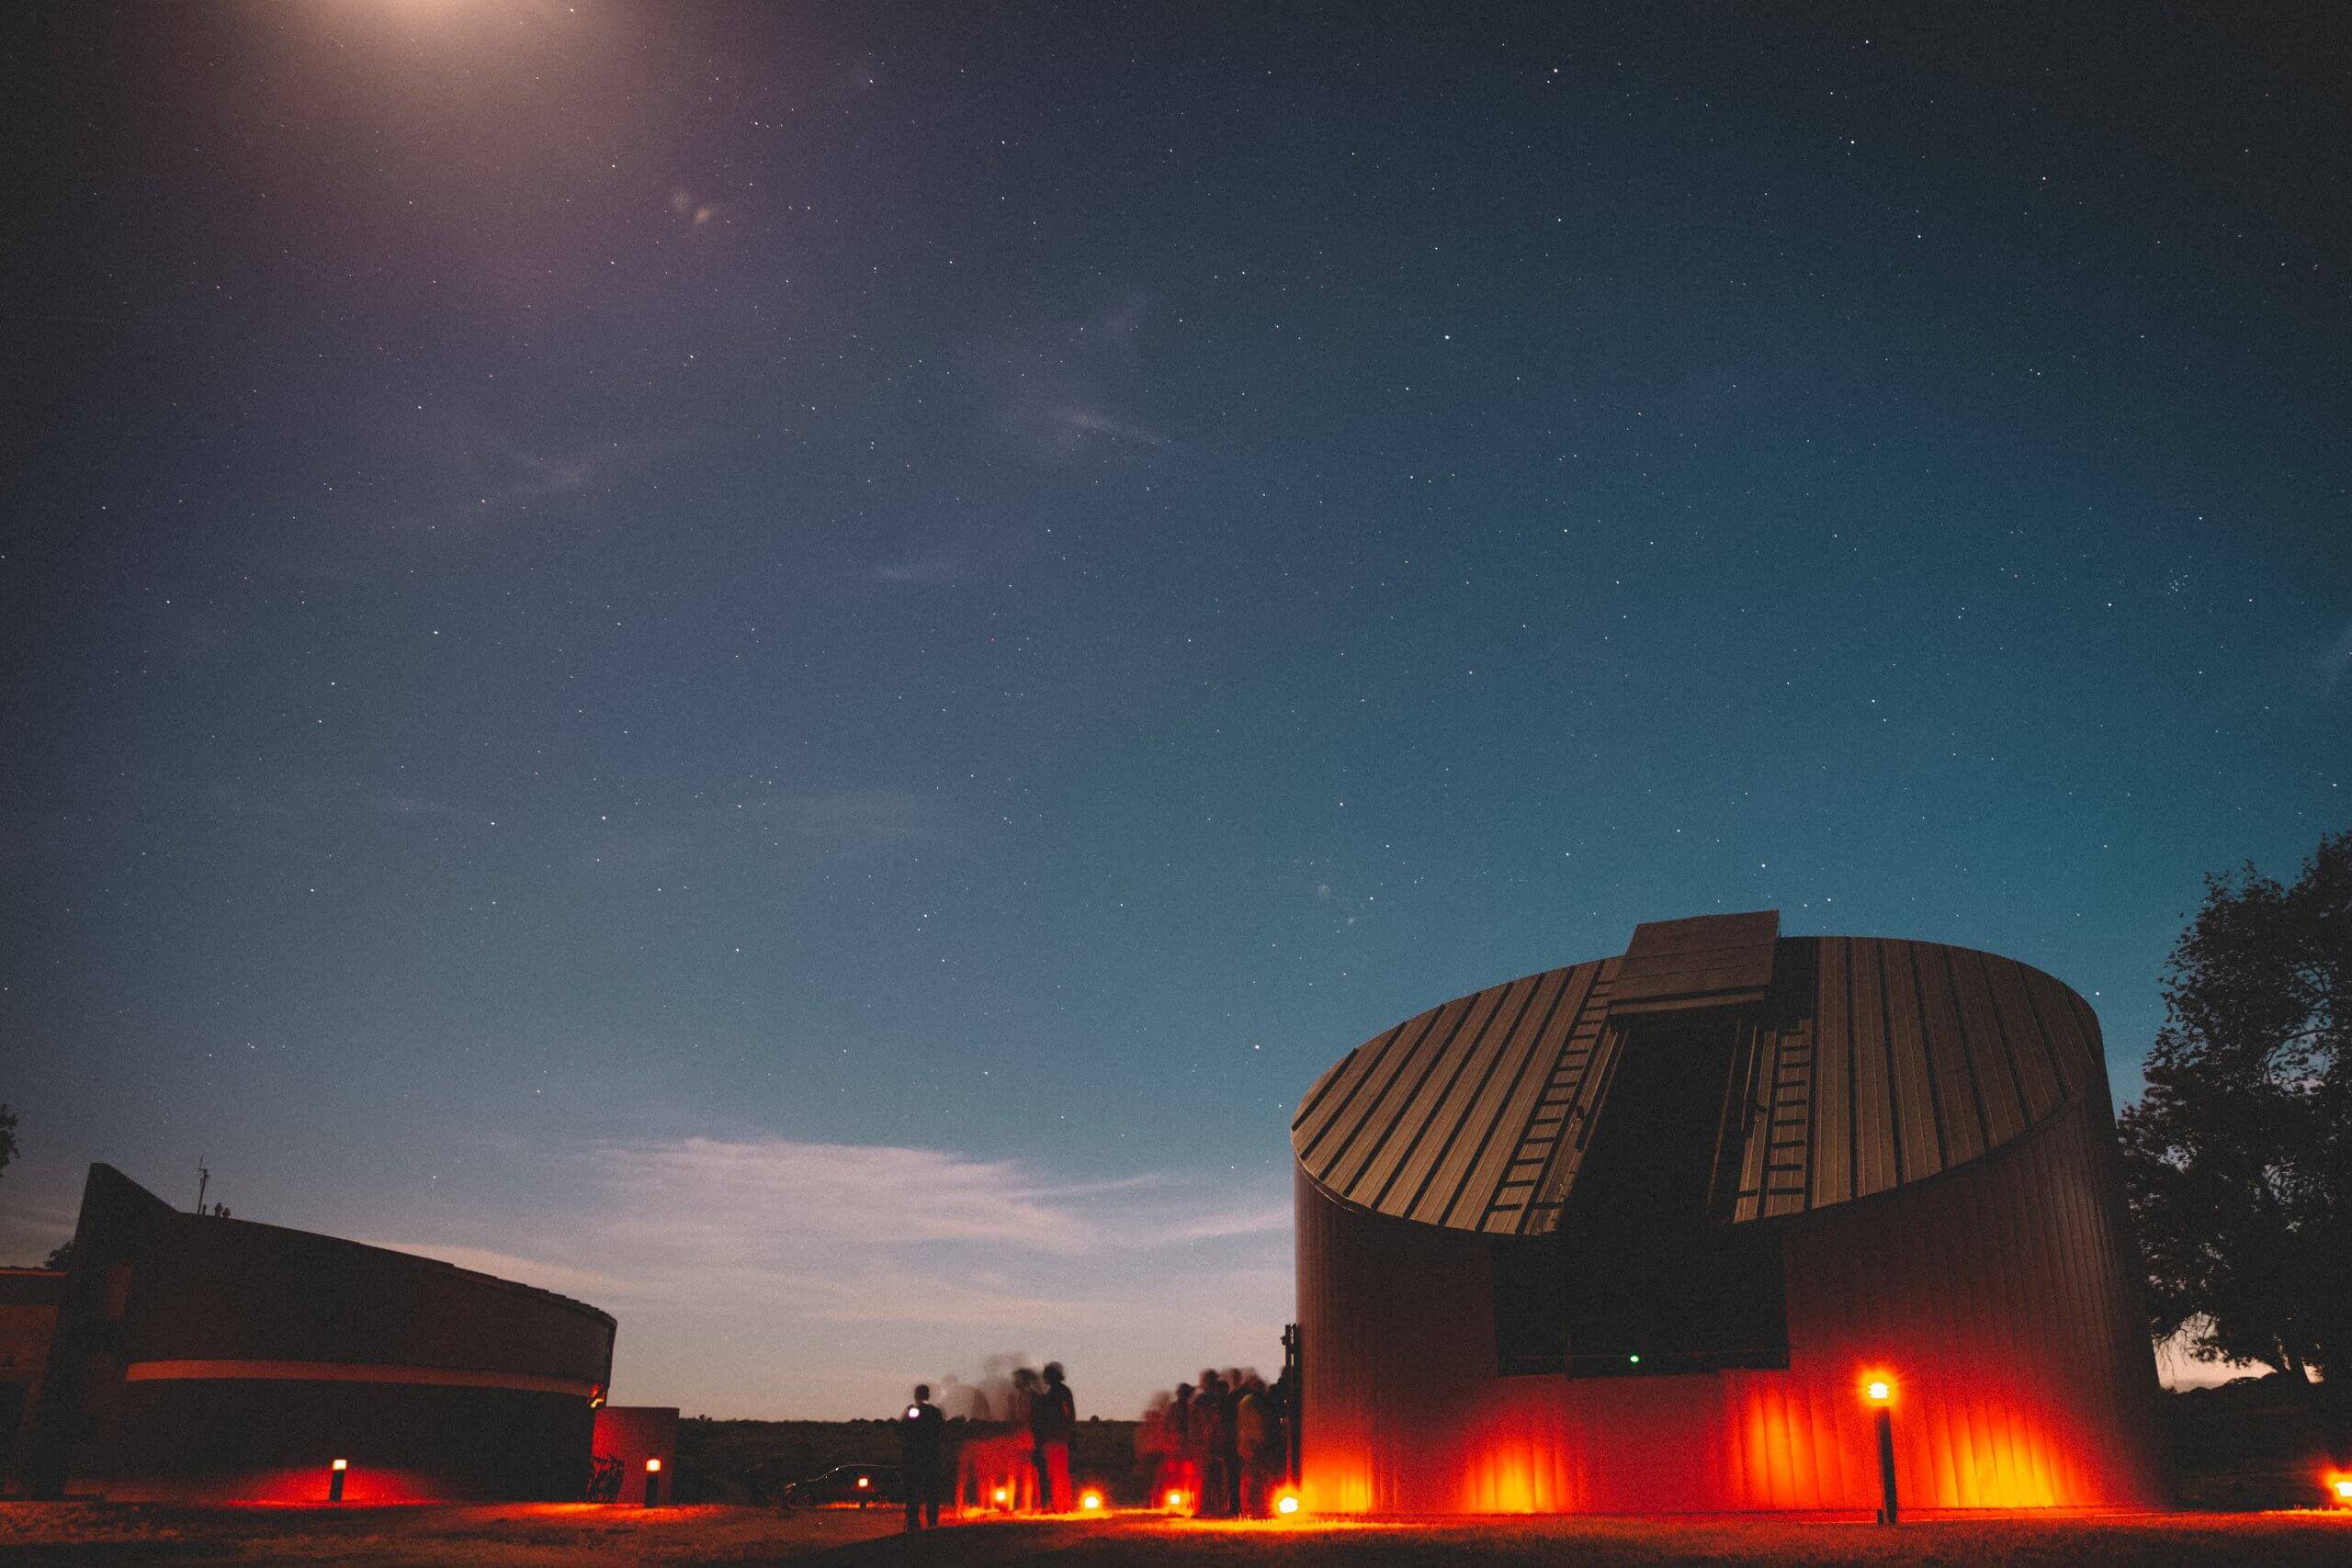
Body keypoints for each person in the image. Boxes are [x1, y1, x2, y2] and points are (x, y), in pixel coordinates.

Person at [1029, 1360, 1076, 1511]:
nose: (1044, 1377)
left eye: (1046, 1374)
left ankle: (1060, 1504)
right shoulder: (1058, 1392)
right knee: (1058, 1471)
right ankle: (1061, 1503)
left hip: (1056, 1437)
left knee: (1056, 1471)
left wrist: (1063, 1429)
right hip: (1056, 1436)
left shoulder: (1058, 1393)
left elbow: (1068, 1414)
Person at [899, 1383, 946, 1530]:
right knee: (931, 1490)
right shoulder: (935, 1412)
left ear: (916, 1396)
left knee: (913, 1491)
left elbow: (902, 1430)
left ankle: (914, 1524)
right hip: (931, 1455)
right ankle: (932, 1522)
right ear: (928, 1396)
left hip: (914, 1457)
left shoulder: (913, 1411)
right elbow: (940, 1430)